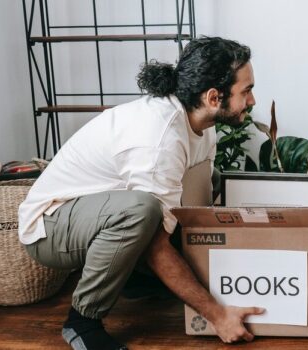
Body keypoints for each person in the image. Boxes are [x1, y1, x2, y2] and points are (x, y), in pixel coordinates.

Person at [18, 37, 264, 349]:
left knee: (210, 179)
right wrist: (216, 314)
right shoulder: (160, 138)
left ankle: (136, 280)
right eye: (247, 90)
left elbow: (195, 204)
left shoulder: (202, 124)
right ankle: (82, 322)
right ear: (214, 97)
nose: (253, 100)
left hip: (99, 209)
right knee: (142, 210)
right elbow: (156, 244)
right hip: (49, 226)